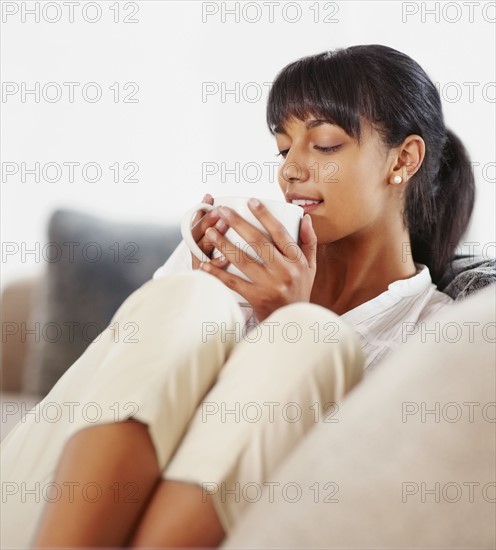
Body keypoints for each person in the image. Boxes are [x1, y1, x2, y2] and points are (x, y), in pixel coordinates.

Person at [0, 44, 474, 548]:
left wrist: (283, 325)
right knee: (192, 301)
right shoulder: (223, 266)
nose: (291, 169)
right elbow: (115, 389)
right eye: (283, 148)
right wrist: (208, 291)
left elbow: (355, 497)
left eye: (326, 145)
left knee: (309, 336)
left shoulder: (437, 338)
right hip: (35, 505)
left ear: (404, 158)